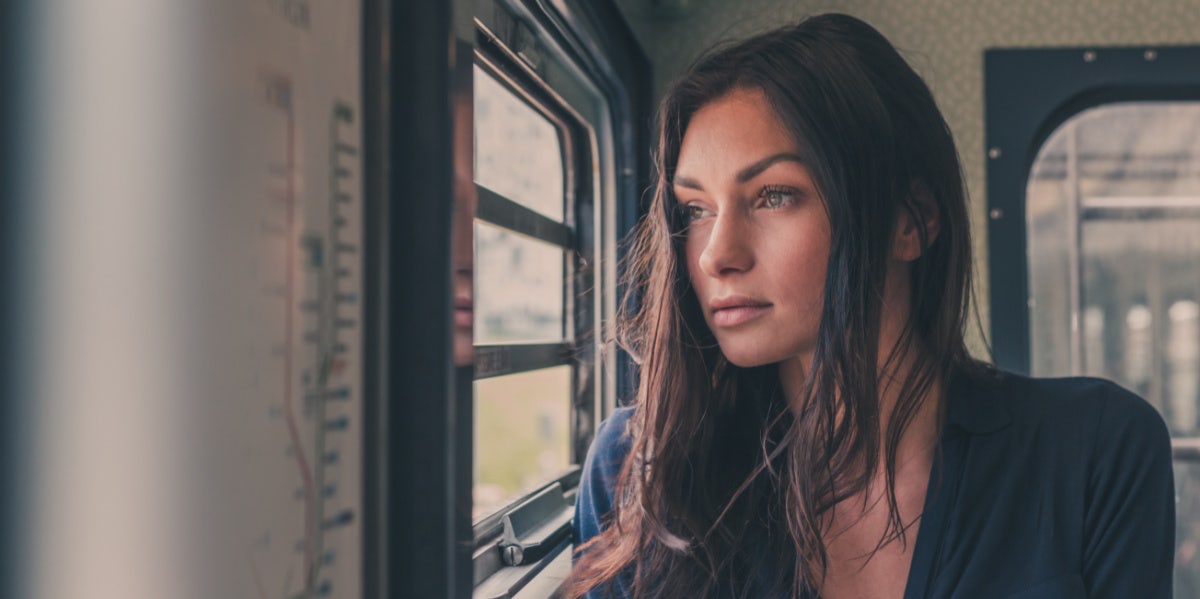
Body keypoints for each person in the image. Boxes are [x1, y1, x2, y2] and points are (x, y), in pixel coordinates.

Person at [563, 13, 1175, 599]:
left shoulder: (1096, 451)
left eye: (775, 196)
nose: (714, 255)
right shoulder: (639, 471)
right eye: (696, 210)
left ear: (910, 221)